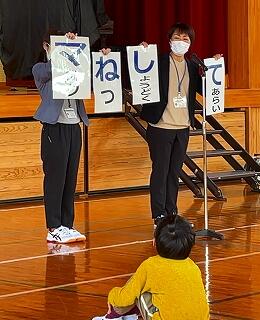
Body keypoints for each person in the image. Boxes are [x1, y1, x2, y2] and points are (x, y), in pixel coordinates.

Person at [140, 22, 222, 225]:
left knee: (174, 171)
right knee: (160, 170)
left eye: (186, 39)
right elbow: (139, 73)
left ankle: (171, 211)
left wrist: (214, 69)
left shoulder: (193, 66)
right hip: (161, 126)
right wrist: (142, 54)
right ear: (169, 41)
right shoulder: (158, 62)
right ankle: (159, 214)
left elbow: (206, 90)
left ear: (191, 43)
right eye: (177, 38)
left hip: (182, 127)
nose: (181, 42)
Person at [32, 31, 110, 243]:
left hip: (74, 127)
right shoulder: (40, 69)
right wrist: (63, 52)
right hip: (54, 128)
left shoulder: (76, 68)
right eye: (56, 45)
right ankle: (54, 226)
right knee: (55, 178)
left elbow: (91, 74)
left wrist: (102, 57)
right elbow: (52, 69)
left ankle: (67, 224)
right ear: (47, 46)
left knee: (70, 178)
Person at [92, 215, 210, 320]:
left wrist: (112, 296)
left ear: (154, 242)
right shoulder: (193, 267)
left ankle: (113, 317)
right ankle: (127, 315)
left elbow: (125, 298)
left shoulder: (151, 265)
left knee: (139, 291)